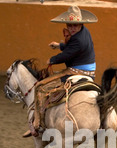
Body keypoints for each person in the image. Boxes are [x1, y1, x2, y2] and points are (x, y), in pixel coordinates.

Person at [24, 6, 98, 137]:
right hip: (88, 71)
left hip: (75, 71)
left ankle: (38, 124)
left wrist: (52, 60)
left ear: (80, 23)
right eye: (69, 25)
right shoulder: (84, 32)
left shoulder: (78, 40)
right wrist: (60, 45)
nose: (72, 28)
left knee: (40, 87)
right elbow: (73, 48)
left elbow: (67, 54)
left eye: (75, 25)